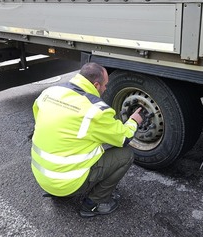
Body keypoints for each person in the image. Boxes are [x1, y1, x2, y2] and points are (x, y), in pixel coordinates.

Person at [30, 62, 144, 217]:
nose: (106, 89)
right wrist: (134, 121)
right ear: (96, 85)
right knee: (125, 155)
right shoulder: (94, 111)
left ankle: (57, 192)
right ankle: (94, 204)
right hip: (67, 184)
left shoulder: (49, 92)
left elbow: (41, 121)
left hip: (42, 178)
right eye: (105, 85)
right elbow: (123, 137)